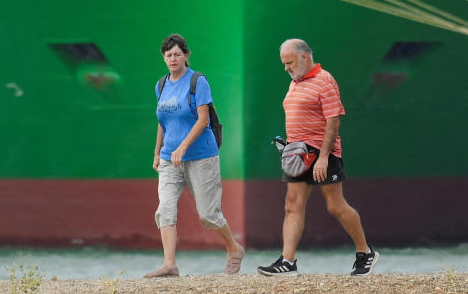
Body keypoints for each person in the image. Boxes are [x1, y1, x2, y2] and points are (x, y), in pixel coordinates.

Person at [257, 38, 379, 277]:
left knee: (335, 205)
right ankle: (287, 261)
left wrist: (324, 157)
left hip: (322, 152)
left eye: (289, 62)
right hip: (297, 154)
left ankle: (365, 252)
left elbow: (333, 120)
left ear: (304, 57)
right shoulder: (295, 83)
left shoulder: (325, 80)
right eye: (284, 64)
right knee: (292, 205)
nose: (286, 68)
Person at [146, 33, 245, 278]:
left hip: (201, 155)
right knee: (165, 209)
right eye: (168, 55)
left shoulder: (197, 81)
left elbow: (203, 120)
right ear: (163, 57)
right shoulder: (160, 85)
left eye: (177, 54)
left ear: (186, 56)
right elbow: (163, 122)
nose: (173, 59)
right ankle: (170, 264)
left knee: (208, 214)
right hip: (170, 159)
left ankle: (234, 249)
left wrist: (183, 147)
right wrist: (158, 152)